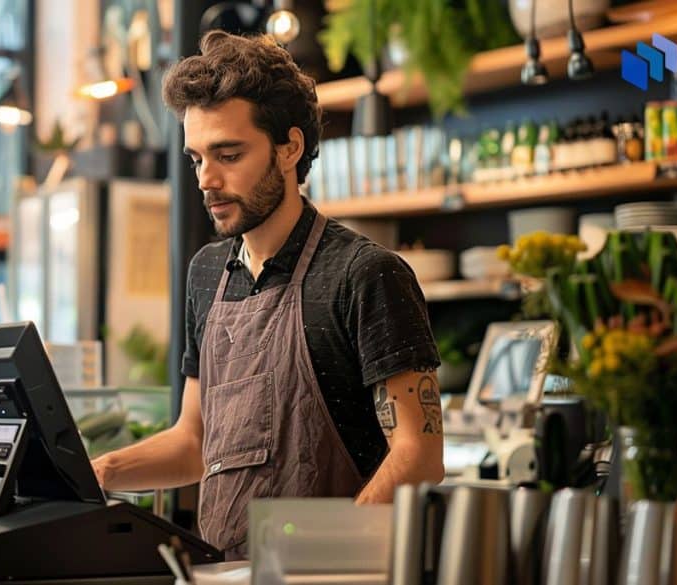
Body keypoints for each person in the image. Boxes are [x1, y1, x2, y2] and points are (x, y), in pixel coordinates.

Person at [91, 30, 444, 560]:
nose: (207, 179)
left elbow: (419, 456)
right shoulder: (207, 273)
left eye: (229, 154)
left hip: (338, 574)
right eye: (196, 159)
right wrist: (100, 472)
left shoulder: (365, 275)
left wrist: (321, 553)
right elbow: (194, 441)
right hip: (226, 571)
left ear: (290, 148)